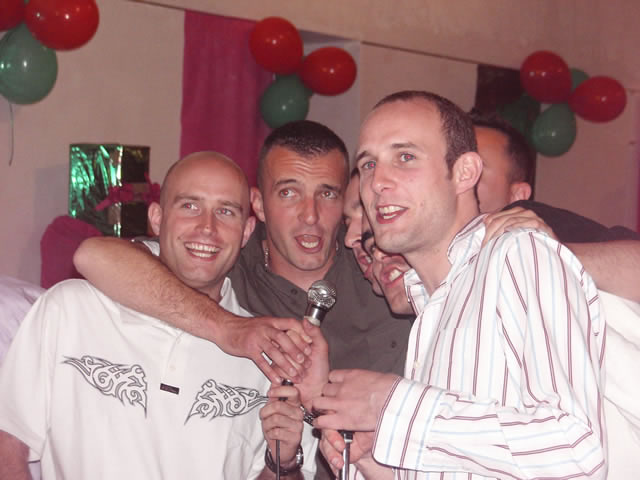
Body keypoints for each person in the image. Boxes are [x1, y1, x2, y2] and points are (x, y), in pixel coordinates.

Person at [73, 121, 412, 479]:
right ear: (258, 205)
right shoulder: (225, 259)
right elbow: (94, 256)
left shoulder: (377, 265)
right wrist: (229, 329)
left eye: (327, 194)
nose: (310, 215)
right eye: (288, 193)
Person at [314, 91, 606, 479]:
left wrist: (392, 404)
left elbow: (577, 453)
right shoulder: (429, 305)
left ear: (465, 173)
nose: (377, 182)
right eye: (368, 164)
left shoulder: (517, 253)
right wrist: (374, 462)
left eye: (405, 157)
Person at [0, 152, 316, 479]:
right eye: (189, 206)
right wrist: (226, 328)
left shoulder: (269, 357)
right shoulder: (70, 310)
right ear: (156, 218)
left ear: (247, 231)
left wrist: (281, 463)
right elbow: (8, 446)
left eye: (225, 211)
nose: (207, 228)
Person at [473, 113, 640, 303]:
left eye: (475, 165)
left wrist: (553, 251)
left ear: (517, 194)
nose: (460, 172)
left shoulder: (529, 220)